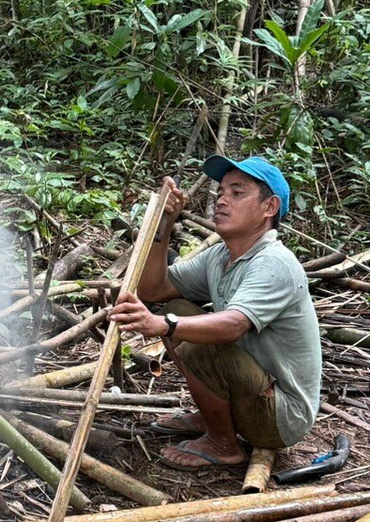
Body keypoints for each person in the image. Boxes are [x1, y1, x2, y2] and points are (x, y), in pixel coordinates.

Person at [108, 155, 321, 470]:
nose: (221, 200)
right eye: (221, 192)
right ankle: (213, 418)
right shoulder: (220, 256)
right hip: (253, 393)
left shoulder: (274, 262)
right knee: (177, 309)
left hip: (280, 417)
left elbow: (233, 326)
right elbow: (154, 289)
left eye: (237, 193)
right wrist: (164, 223)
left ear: (269, 207)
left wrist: (161, 324)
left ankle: (223, 444)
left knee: (196, 340)